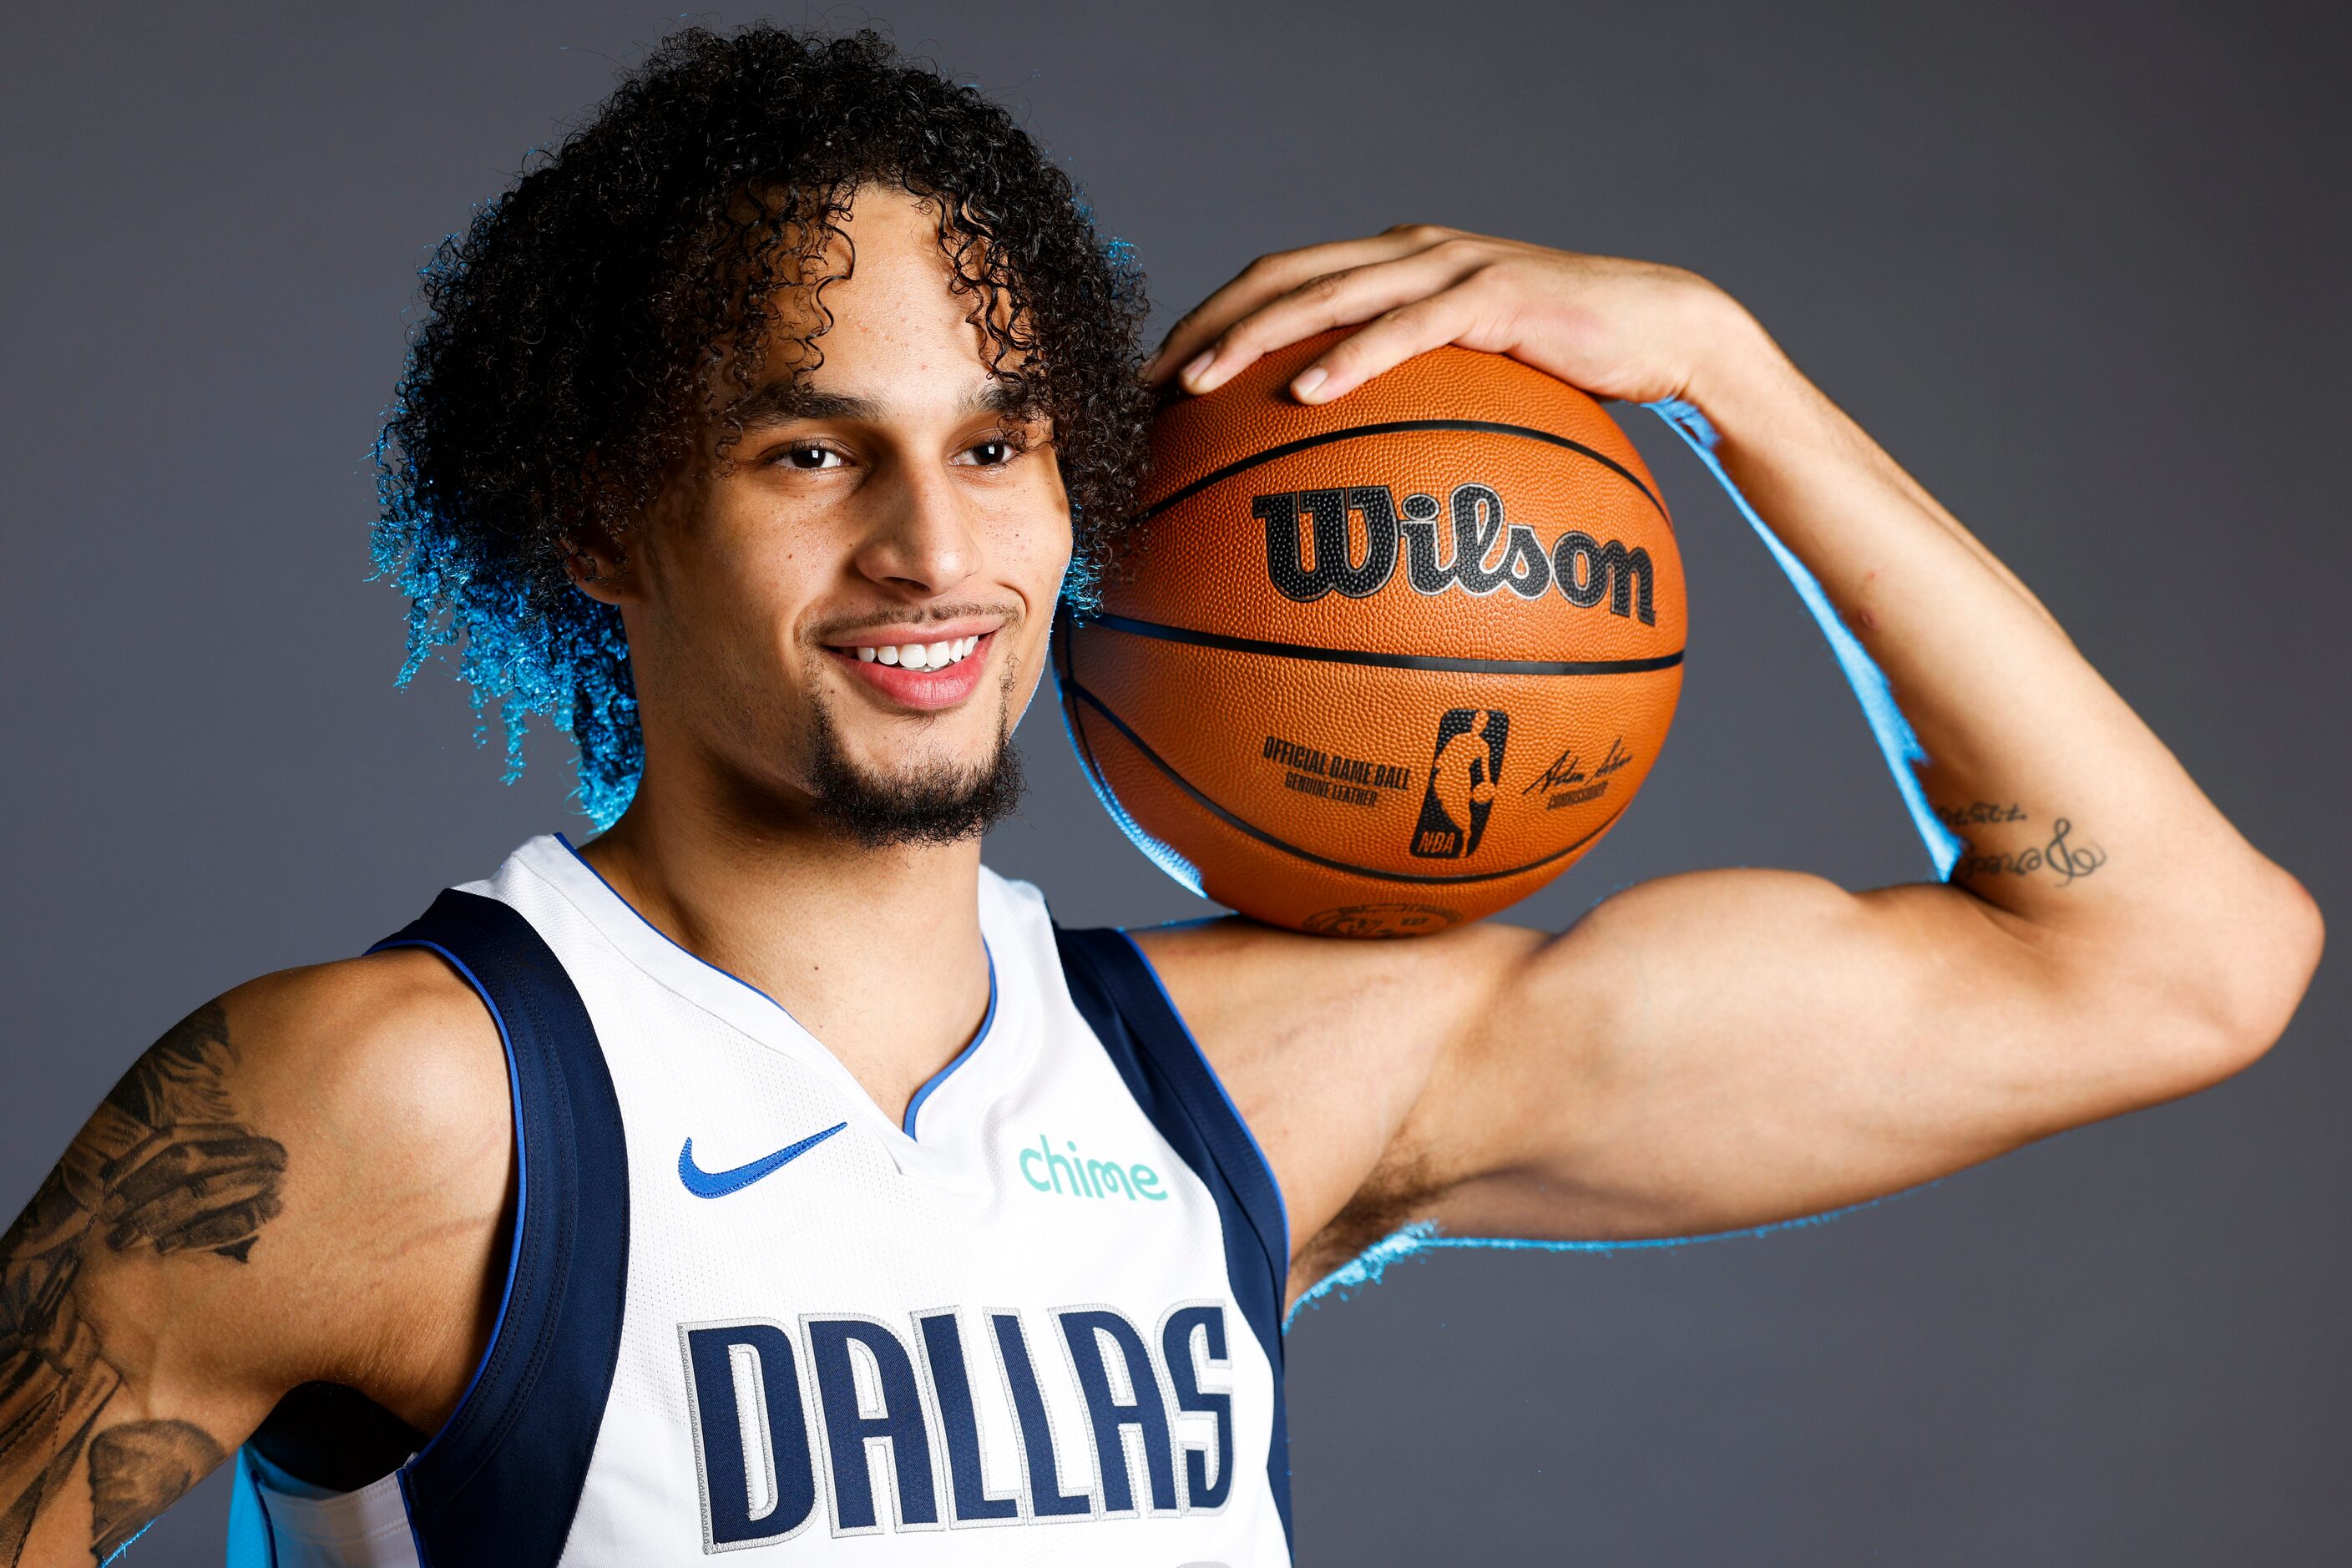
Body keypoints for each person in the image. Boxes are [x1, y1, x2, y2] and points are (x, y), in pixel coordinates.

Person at [0, 23, 2319, 1568]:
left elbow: (2172, 966)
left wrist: (1730, 382)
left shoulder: (1245, 1078)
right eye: (813, 450)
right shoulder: (396, 1104)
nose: (933, 549)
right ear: (603, 519)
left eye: (998, 445)